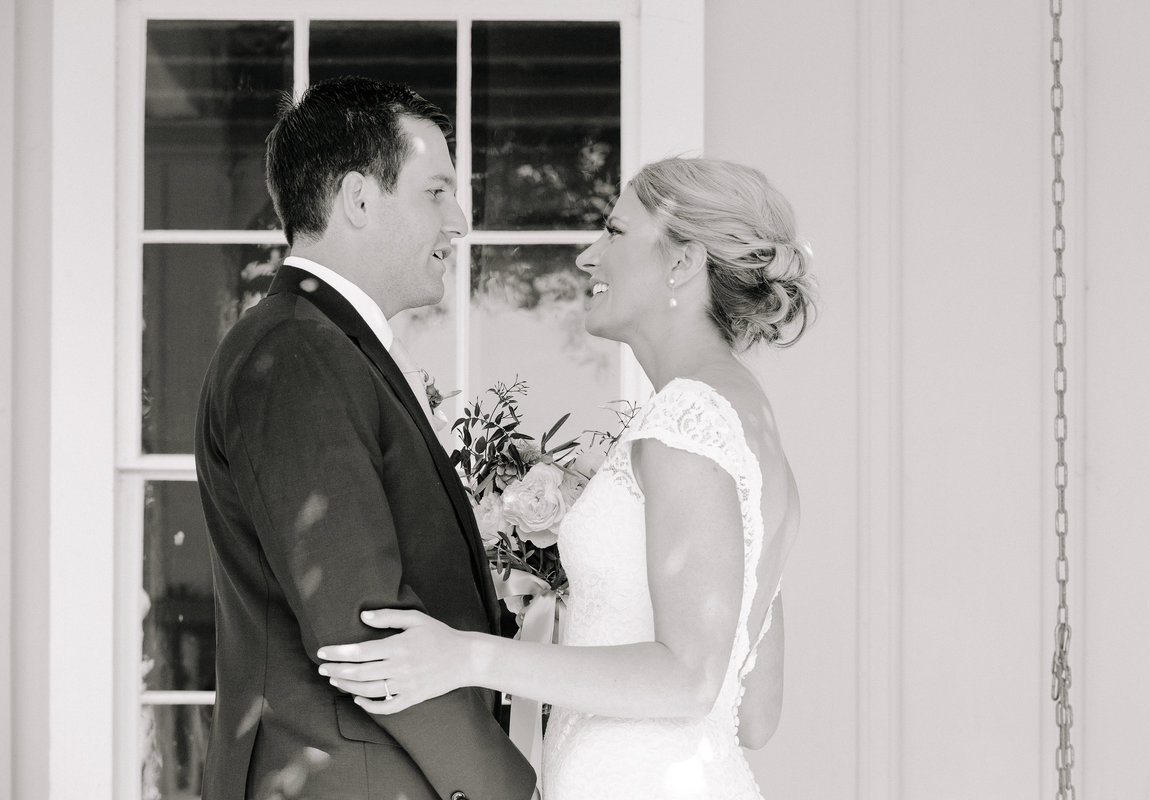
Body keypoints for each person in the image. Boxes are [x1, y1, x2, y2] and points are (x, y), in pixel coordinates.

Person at [318, 156, 816, 799]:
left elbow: (689, 678)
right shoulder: (745, 428)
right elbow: (754, 715)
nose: (587, 257)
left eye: (613, 232)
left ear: (683, 262)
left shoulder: (686, 422)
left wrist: (464, 655)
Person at [193, 76, 536, 800]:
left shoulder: (324, 346)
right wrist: (507, 783)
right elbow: (364, 625)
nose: (461, 221)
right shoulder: (295, 353)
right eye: (437, 193)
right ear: (357, 198)